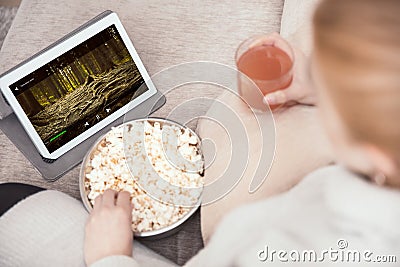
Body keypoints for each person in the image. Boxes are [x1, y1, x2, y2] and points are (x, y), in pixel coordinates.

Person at [1, 0, 400, 266]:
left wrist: (111, 256)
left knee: (8, 200)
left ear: (375, 153)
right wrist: (318, 89)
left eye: (330, 98)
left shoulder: (299, 247)